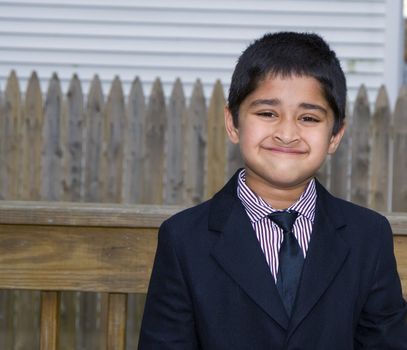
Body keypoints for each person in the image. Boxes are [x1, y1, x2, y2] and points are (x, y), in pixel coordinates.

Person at [138, 32, 407, 349]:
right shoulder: (183, 239)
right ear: (233, 123)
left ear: (335, 135)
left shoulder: (368, 236)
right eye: (267, 113)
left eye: (308, 117)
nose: (287, 133)